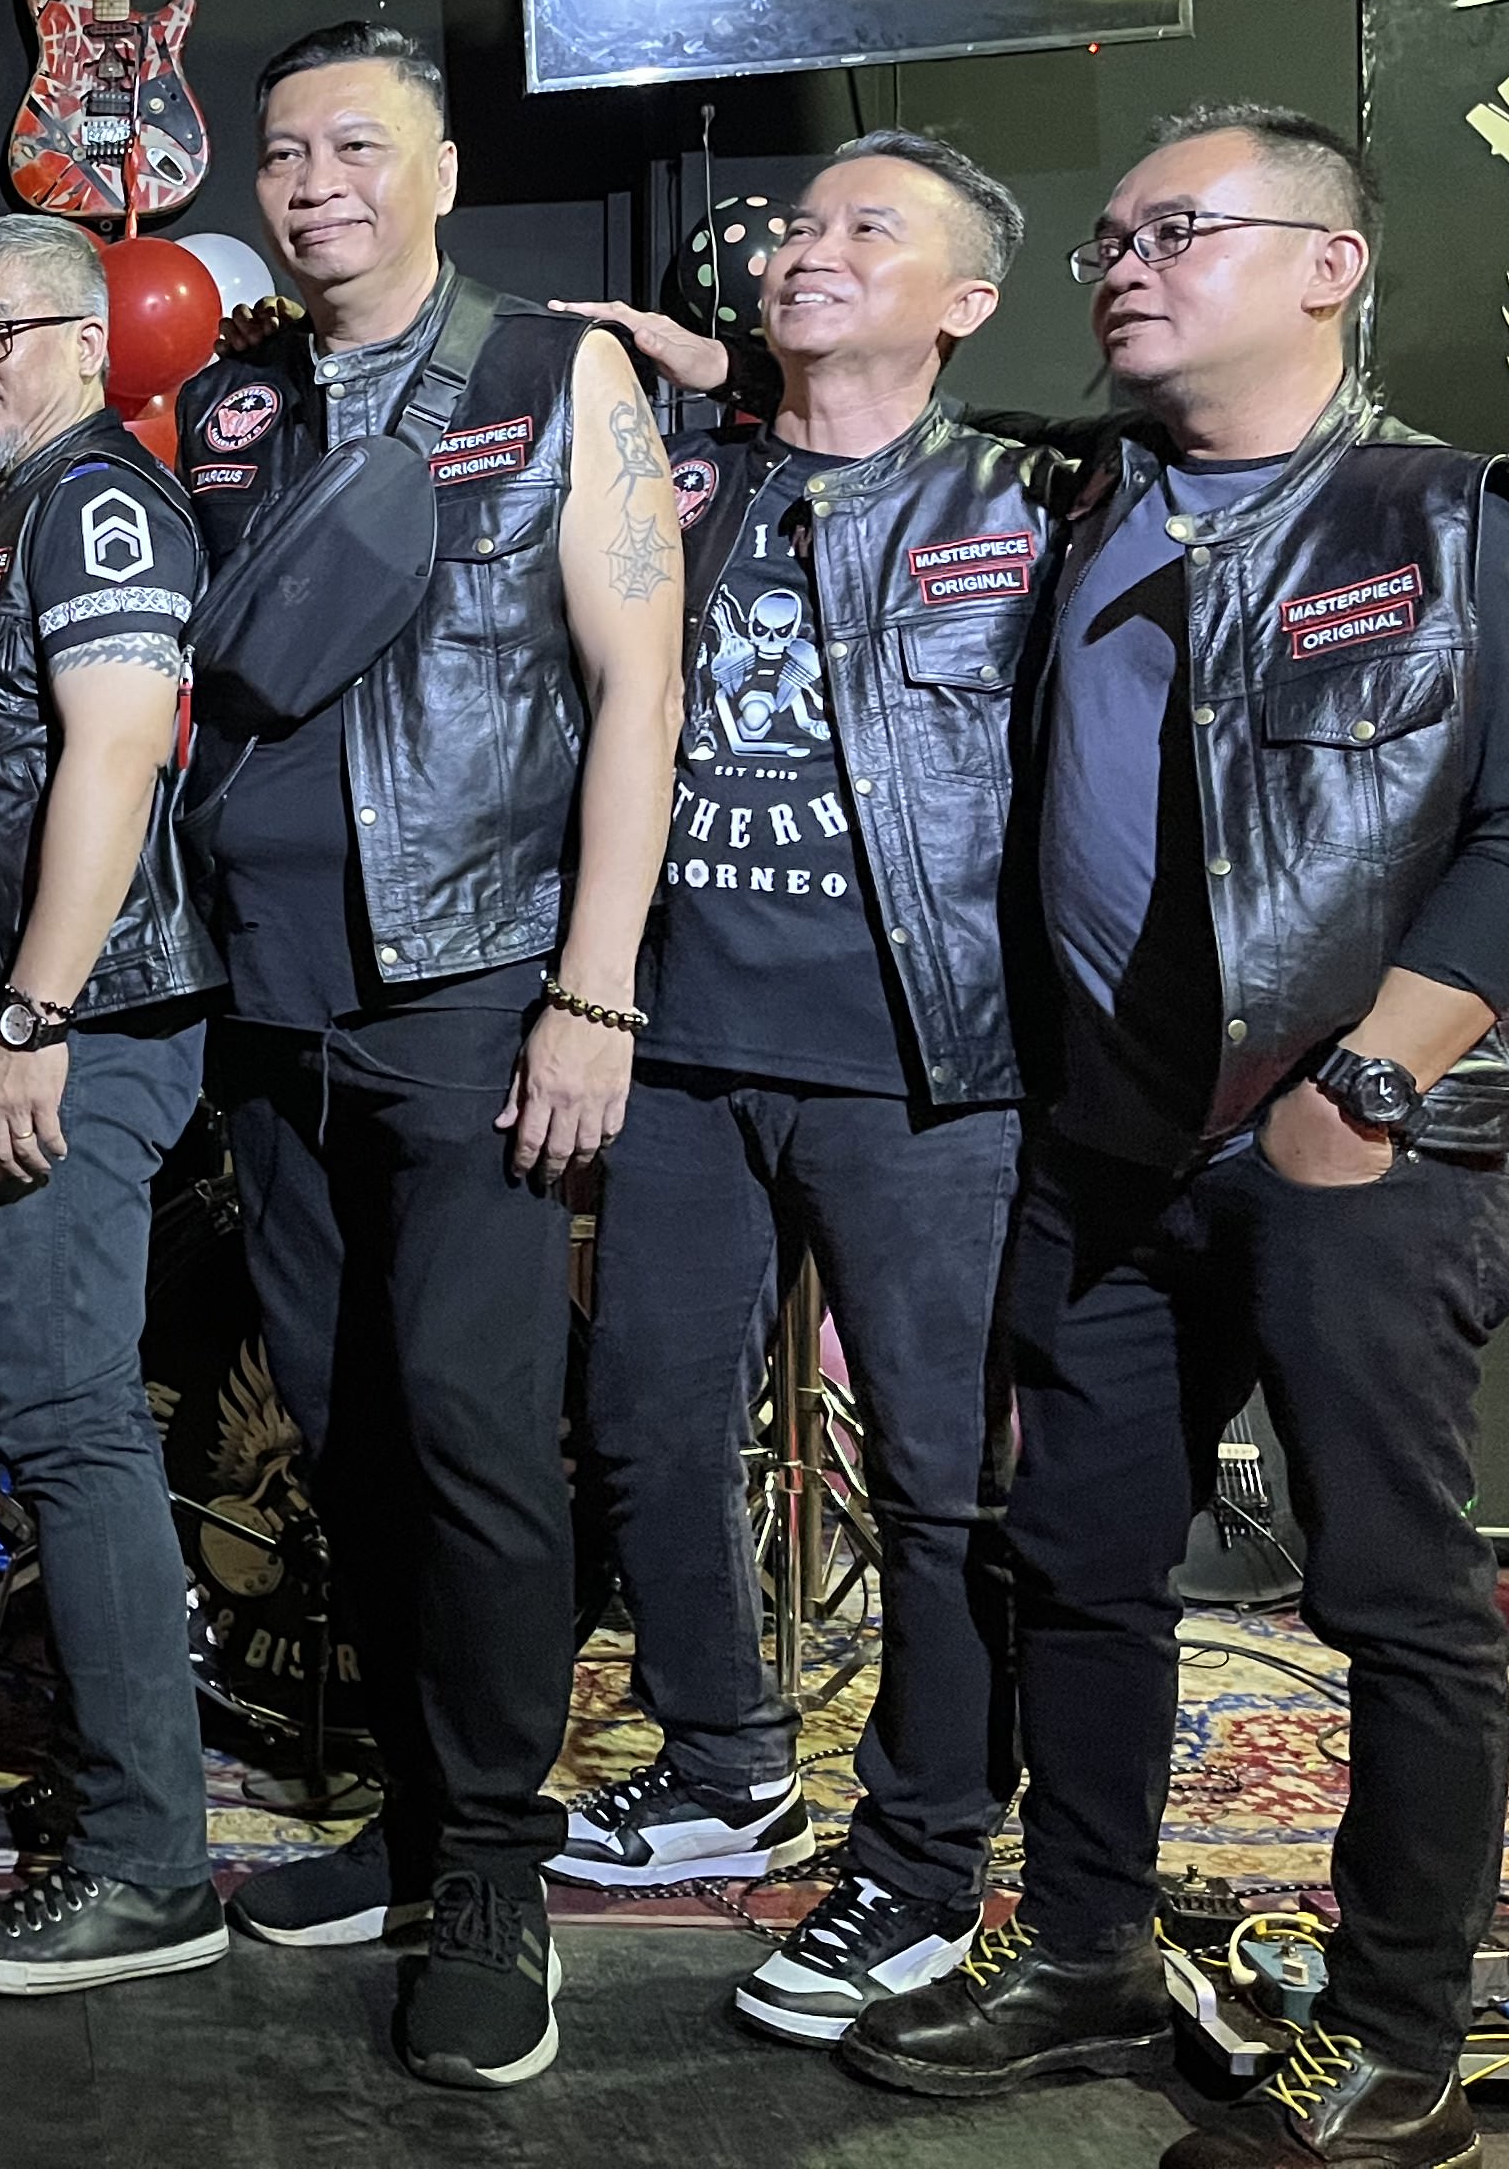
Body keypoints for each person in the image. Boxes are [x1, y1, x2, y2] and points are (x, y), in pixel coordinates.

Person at [841, 106, 1509, 2169]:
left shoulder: (1437, 513)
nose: (1124, 264)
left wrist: (1367, 1087)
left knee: (1392, 1592)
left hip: (1354, 1153)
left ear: (1326, 265)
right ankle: (1086, 1952)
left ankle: (1396, 2033)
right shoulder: (1076, 495)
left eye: (1176, 230)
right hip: (1105, 1147)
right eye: (1106, 238)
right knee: (1079, 1565)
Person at [176, 21, 682, 2093]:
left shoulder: (554, 378)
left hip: (473, 989)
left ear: (442, 171)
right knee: (343, 1431)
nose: (316, 185)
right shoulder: (229, 404)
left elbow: (639, 685)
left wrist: (594, 989)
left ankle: (491, 1865)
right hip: (266, 1001)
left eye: (357, 148)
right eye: (285, 154)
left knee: (473, 1434)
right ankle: (408, 1817)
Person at [543, 136, 1063, 2044]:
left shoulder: (1036, 497)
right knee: (641, 1423)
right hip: (680, 1042)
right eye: (800, 222)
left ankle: (922, 1858)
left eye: (868, 228)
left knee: (937, 1483)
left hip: (927, 1064)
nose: (807, 245)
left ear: (965, 300)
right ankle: (720, 1760)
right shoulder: (684, 479)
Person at [0, 213, 228, 2000]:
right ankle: (103, 1782)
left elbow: (111, 752)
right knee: (49, 1408)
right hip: (18, 1028)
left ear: (88, 344)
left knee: (70, 1418)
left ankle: (147, 1866)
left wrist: (35, 1011)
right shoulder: (1, 519)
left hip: (76, 1029)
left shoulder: (94, 503)